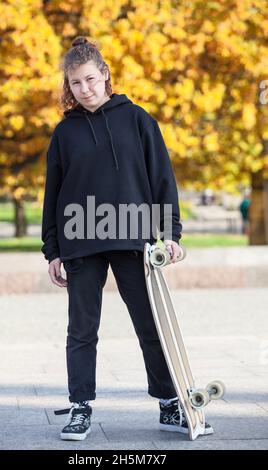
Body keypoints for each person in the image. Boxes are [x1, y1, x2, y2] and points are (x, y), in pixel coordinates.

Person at [41, 36, 213, 441]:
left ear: (105, 75)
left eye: (90, 80)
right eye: (76, 84)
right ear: (69, 86)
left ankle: (169, 404)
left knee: (150, 324)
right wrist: (52, 249)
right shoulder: (64, 134)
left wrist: (170, 232)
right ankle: (80, 406)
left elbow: (161, 180)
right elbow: (53, 194)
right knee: (81, 329)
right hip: (81, 237)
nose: (85, 90)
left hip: (134, 235)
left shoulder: (137, 119)